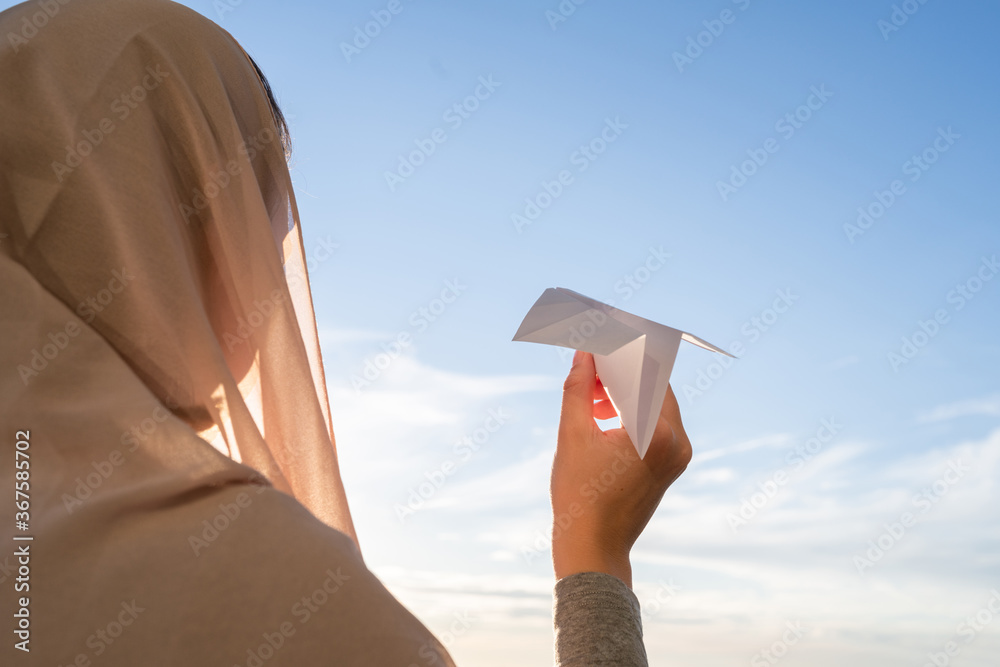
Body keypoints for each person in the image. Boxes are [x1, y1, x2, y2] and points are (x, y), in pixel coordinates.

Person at [0, 0, 693, 664]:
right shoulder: (264, 599)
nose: (265, 281)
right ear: (172, 229)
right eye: (254, 225)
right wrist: (595, 551)